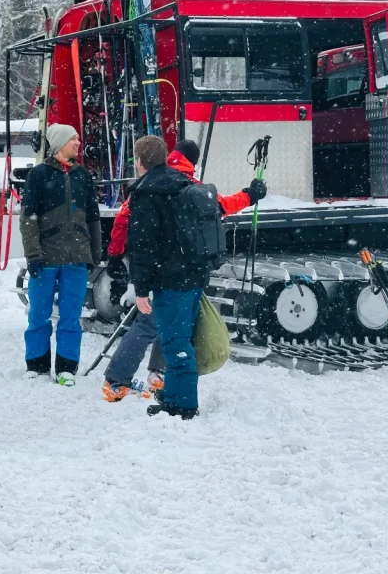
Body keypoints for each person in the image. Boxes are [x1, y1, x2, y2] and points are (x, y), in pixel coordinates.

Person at [102, 138, 265, 402]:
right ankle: (141, 378)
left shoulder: (148, 186)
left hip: (161, 269)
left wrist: (115, 255)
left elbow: (125, 220)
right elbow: (221, 206)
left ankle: (129, 379)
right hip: (186, 270)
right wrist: (249, 195)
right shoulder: (190, 186)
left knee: (157, 323)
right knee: (167, 328)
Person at [121, 135, 224, 420]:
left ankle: (183, 405)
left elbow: (142, 246)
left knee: (175, 343)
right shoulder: (182, 183)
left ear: (140, 162)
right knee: (183, 339)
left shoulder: (146, 193)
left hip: (171, 279)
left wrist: (141, 289)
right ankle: (175, 393)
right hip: (193, 274)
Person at [19, 123, 101, 386]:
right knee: (38, 314)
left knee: (71, 316)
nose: (78, 142)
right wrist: (33, 254)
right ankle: (37, 365)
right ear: (58, 143)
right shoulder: (39, 175)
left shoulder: (83, 176)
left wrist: (94, 254)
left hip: (77, 257)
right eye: (72, 139)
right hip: (45, 257)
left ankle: (67, 368)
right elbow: (28, 219)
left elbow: (93, 217)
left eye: (78, 138)